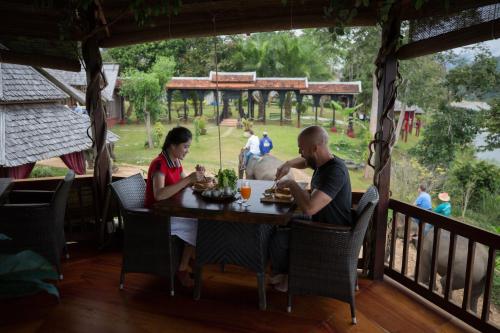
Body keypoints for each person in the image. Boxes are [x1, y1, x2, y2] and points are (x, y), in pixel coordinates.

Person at [269, 125, 352, 292]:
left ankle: (289, 278)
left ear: (315, 148)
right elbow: (305, 161)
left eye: (301, 149)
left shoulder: (335, 172)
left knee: (279, 237)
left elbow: (309, 209)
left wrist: (291, 184)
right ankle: (286, 273)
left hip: (331, 233)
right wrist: (288, 164)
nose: (300, 152)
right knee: (280, 223)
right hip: (322, 224)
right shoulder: (323, 163)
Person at [144, 126, 205, 287]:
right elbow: (159, 194)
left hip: (171, 212)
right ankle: (183, 268)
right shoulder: (159, 164)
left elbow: (186, 182)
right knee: (198, 227)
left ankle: (188, 258)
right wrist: (188, 180)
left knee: (201, 222)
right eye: (185, 146)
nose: (187, 150)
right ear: (172, 145)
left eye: (188, 147)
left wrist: (199, 178)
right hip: (158, 218)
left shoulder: (175, 161)